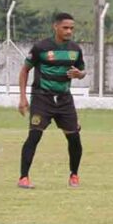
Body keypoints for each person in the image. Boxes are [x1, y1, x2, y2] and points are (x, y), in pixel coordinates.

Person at [17, 12, 86, 189]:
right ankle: (23, 178)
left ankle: (74, 175)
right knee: (34, 136)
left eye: (71, 28)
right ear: (55, 27)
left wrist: (80, 74)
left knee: (74, 139)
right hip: (42, 98)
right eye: (65, 27)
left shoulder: (75, 49)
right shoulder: (41, 47)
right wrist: (23, 97)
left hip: (64, 99)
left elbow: (81, 71)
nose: (69, 31)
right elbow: (25, 70)